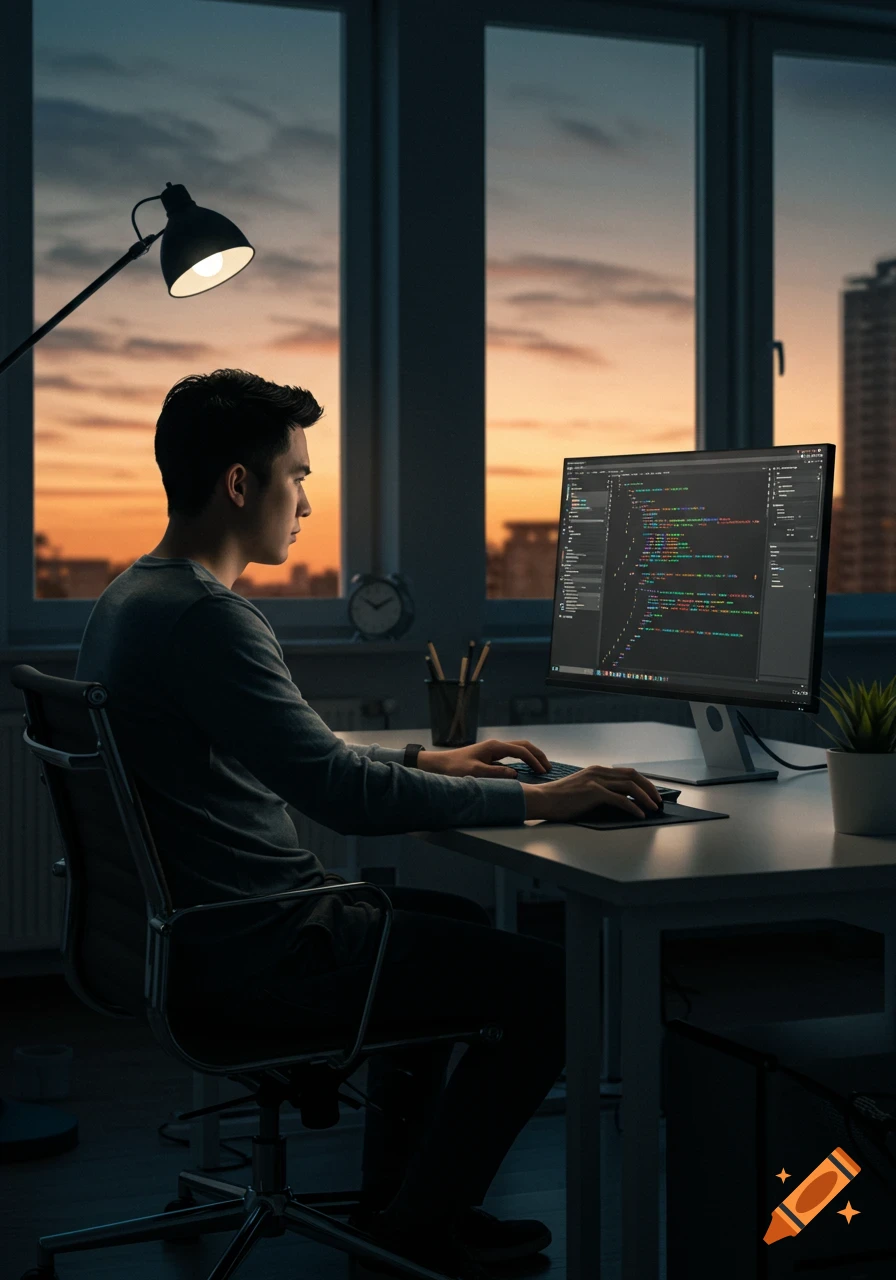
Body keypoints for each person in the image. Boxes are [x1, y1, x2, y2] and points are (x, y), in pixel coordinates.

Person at [75, 368, 662, 1280]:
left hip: (204, 938)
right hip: (264, 950)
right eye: (297, 475)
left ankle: (406, 1210)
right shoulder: (206, 618)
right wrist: (541, 799)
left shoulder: (133, 599)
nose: (306, 501)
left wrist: (431, 760)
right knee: (559, 984)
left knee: (456, 935)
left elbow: (305, 760)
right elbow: (340, 798)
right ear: (240, 483)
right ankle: (419, 1222)